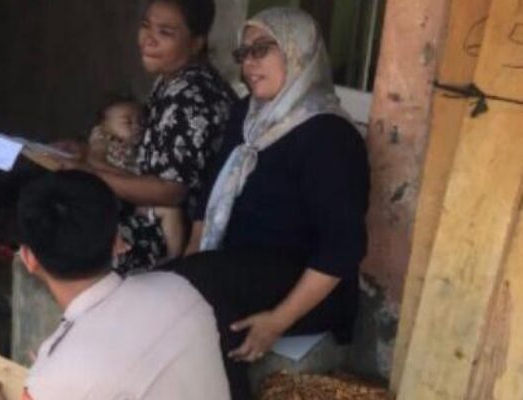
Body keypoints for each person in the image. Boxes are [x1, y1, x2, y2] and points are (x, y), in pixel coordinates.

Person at [169, 8, 370, 399]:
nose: (249, 63)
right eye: (243, 53)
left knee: (210, 303)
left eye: (262, 49)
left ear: (298, 52)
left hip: (305, 286)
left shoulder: (330, 136)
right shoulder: (246, 116)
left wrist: (277, 321)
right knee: (172, 291)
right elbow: (208, 198)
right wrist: (187, 266)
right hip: (234, 268)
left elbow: (341, 248)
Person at [0, 170, 231, 400]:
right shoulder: (180, 290)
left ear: (29, 259)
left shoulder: (50, 383)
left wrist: (56, 372)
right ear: (118, 242)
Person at [62, 0, 237, 273]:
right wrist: (88, 153)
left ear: (195, 43)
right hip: (147, 210)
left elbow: (170, 191)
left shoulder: (194, 97)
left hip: (172, 232)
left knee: (65, 240)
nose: (148, 39)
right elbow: (150, 156)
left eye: (165, 32)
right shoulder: (171, 80)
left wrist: (90, 172)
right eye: (146, 26)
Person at [87, 97, 185, 260]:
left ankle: (173, 258)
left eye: (141, 121)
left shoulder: (143, 146)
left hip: (135, 199)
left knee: (172, 210)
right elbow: (95, 163)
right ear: (104, 126)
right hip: (113, 196)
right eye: (128, 122)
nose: (137, 126)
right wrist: (126, 177)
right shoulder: (103, 141)